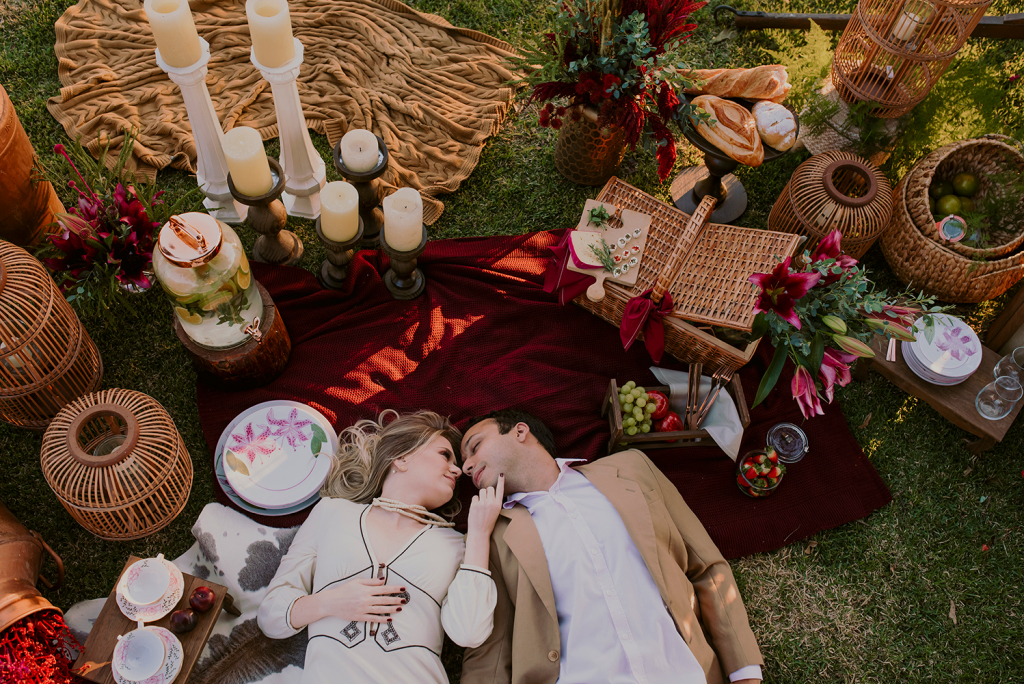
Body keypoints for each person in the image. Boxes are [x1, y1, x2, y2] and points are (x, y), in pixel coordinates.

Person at [458, 409, 764, 684]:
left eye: (475, 447)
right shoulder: (494, 534)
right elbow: (492, 649)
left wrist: (744, 673)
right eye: (464, 465)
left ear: (520, 432)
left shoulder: (631, 468)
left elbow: (706, 565)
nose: (468, 467)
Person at [258, 410, 504, 684]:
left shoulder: (457, 544)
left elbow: (469, 631)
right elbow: (271, 616)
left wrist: (480, 535)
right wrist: (331, 602)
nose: (458, 469)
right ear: (401, 457)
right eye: (444, 455)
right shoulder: (332, 513)